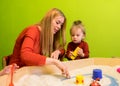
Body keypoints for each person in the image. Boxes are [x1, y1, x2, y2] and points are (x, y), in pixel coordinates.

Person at [7, 8, 70, 78]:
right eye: (57, 23)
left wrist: (58, 51)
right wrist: (54, 61)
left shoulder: (49, 35)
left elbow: (62, 49)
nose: (59, 27)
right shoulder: (32, 30)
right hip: (17, 73)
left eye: (61, 25)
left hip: (31, 72)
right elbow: (25, 55)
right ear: (48, 20)